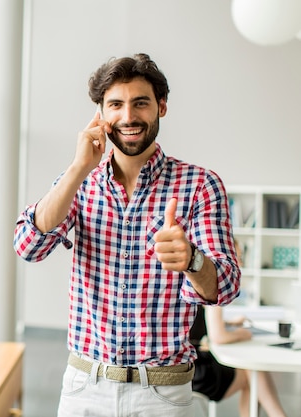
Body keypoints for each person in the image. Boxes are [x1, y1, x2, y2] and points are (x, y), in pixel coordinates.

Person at [12, 53, 241, 417]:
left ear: (161, 107)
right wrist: (77, 168)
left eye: (141, 103)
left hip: (163, 394)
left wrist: (192, 260)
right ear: (100, 114)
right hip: (84, 388)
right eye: (115, 104)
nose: (129, 117)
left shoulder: (200, 185)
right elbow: (28, 245)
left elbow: (225, 286)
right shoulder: (80, 181)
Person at [191, 242, 287, 416]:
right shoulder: (215, 281)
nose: (240, 263)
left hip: (191, 367)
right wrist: (244, 333)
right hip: (199, 374)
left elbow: (202, 323)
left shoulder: (199, 276)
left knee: (252, 378)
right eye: (238, 257)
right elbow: (218, 337)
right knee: (253, 373)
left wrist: (230, 324)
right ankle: (278, 414)